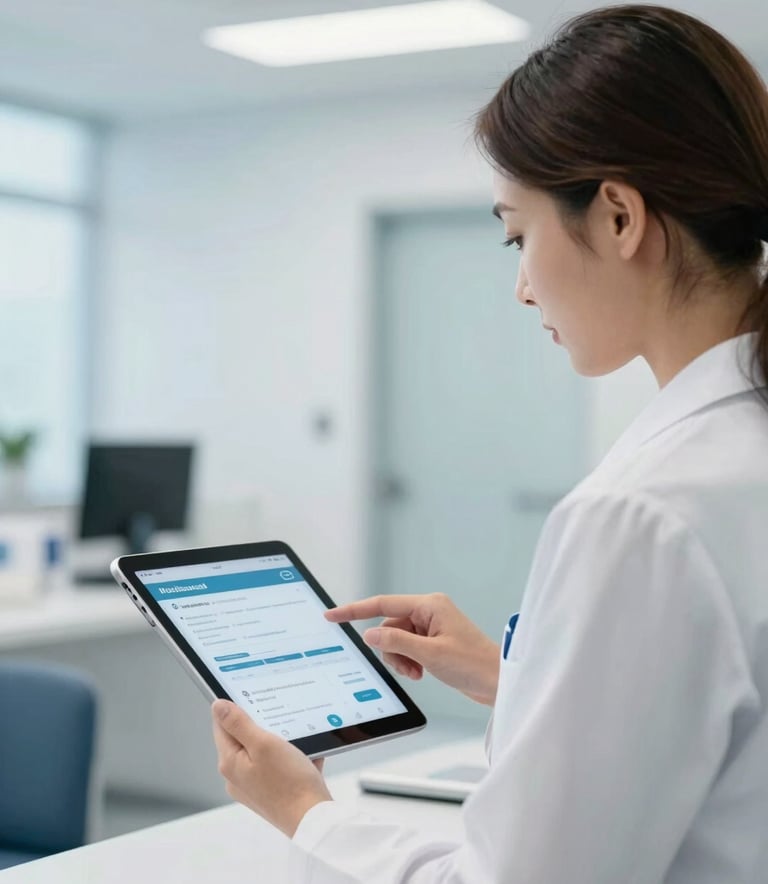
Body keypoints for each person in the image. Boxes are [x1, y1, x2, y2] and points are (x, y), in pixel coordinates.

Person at [210, 5, 768, 881]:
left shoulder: (644, 515)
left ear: (619, 217)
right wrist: (523, 683)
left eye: (519, 235)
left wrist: (306, 814)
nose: (519, 286)